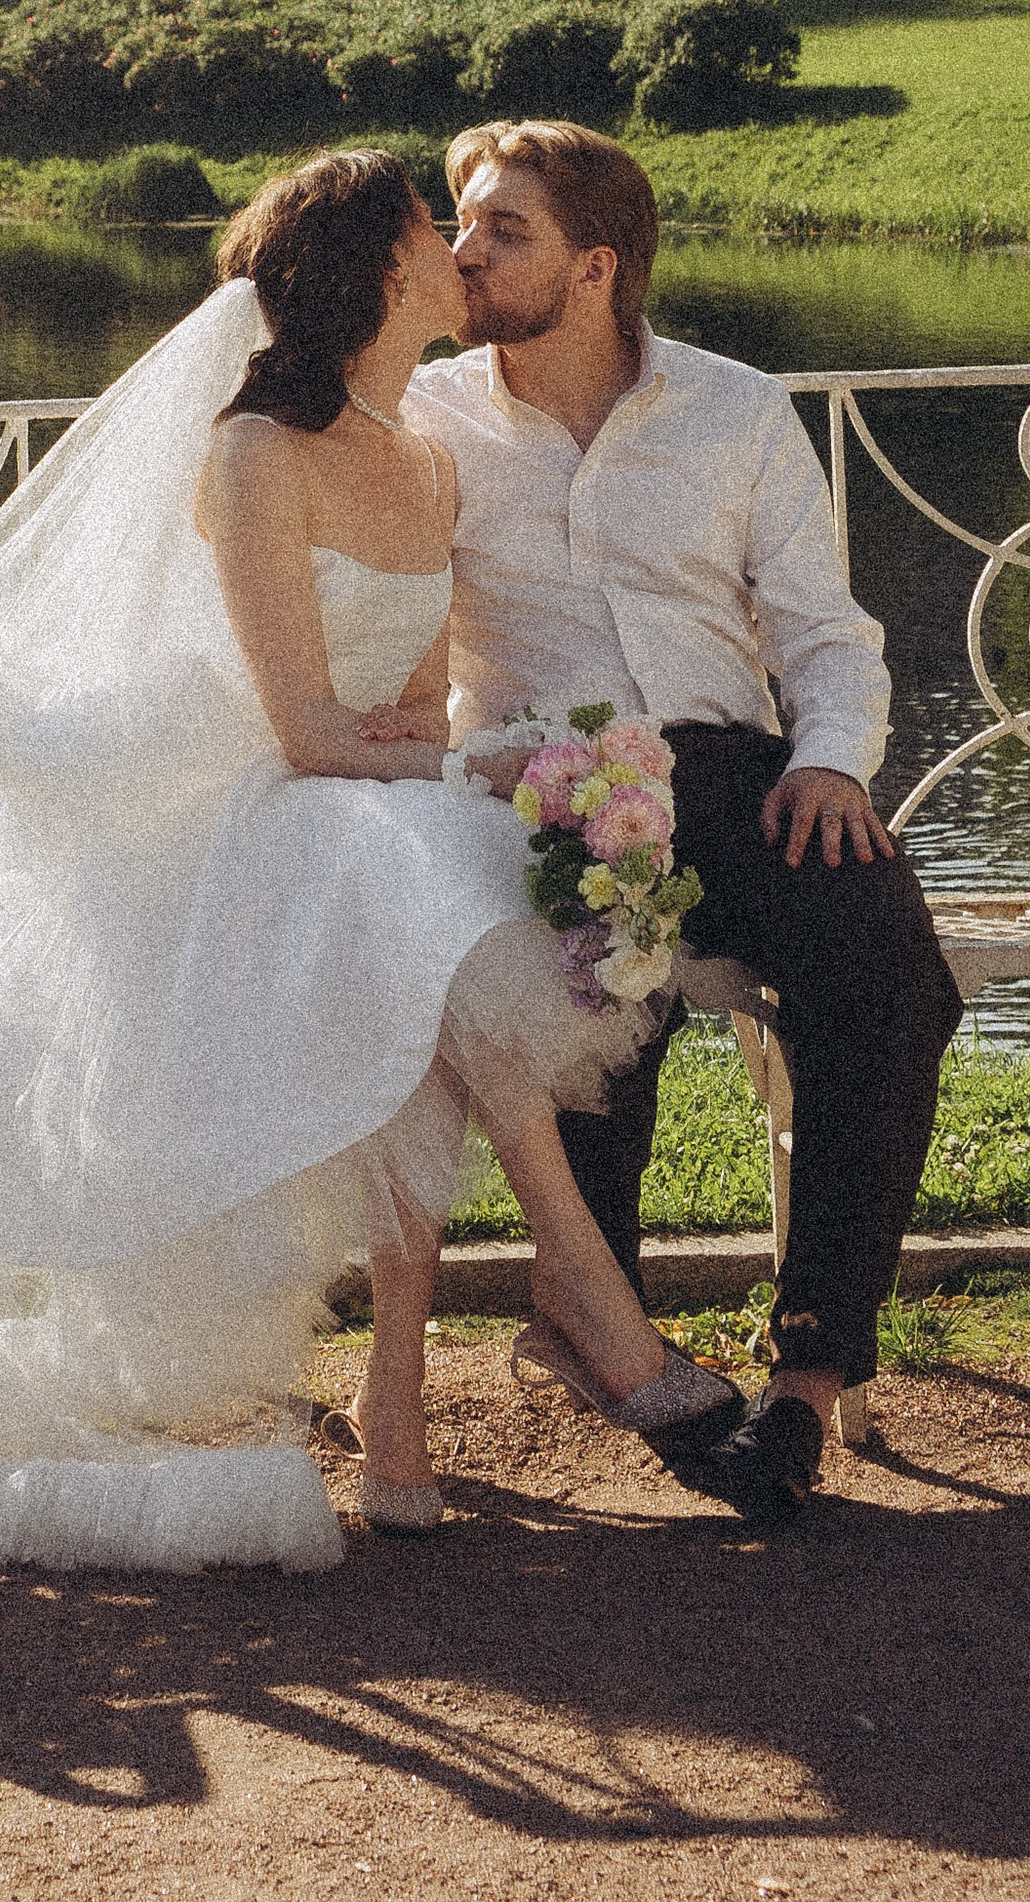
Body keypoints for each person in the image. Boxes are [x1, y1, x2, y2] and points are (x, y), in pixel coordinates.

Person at [0, 150, 740, 1571]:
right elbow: (311, 732)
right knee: (424, 882)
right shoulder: (254, 454)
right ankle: (585, 1295)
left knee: (429, 895)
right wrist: (467, 764)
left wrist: (464, 755)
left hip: (361, 816)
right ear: (386, 278)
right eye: (434, 239)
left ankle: (408, 1411)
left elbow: (413, 698)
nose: (463, 257)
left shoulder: (432, 459)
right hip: (236, 825)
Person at [408, 123, 964, 1527]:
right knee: (602, 977)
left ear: (596, 269)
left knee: (890, 975)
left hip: (738, 777)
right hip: (548, 787)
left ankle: (812, 1379)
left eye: (501, 231)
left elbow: (826, 636)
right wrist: (499, 770)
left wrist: (834, 762)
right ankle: (607, 1328)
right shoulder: (429, 425)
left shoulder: (736, 409)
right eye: (464, 224)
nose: (462, 253)